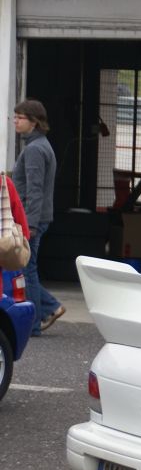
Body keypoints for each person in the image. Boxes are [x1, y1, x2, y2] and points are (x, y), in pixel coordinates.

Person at [12, 100, 63, 335]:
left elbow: (35, 190)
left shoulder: (34, 149)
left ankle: (34, 321)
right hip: (35, 218)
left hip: (32, 220)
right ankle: (50, 307)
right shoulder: (40, 145)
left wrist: (29, 224)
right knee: (25, 267)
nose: (15, 121)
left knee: (26, 269)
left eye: (20, 117)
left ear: (33, 122)